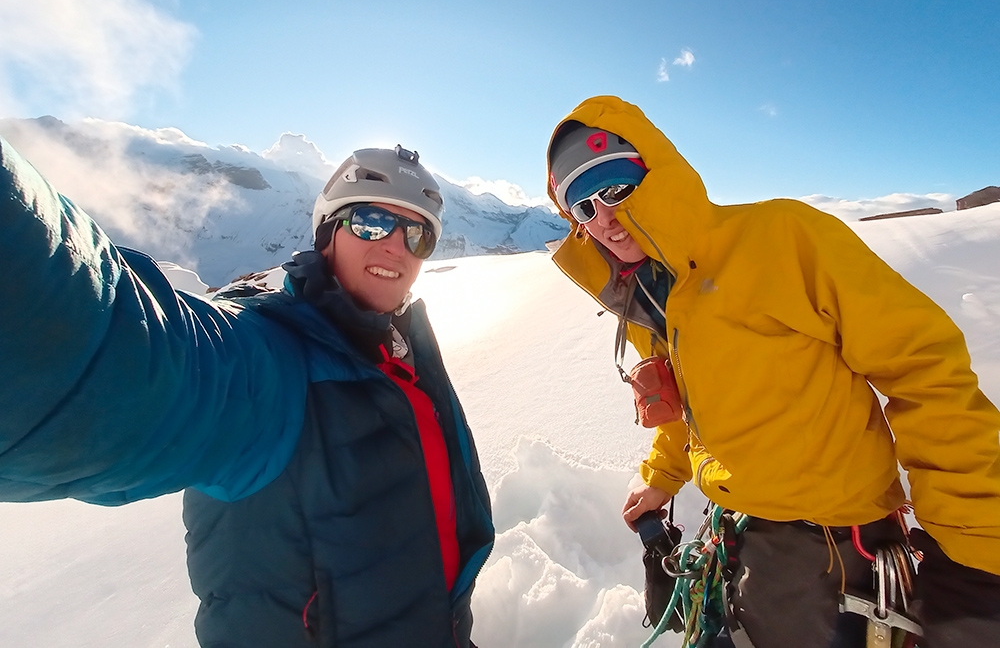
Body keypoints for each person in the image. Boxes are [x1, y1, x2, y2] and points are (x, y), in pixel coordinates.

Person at [544, 95, 1000, 647]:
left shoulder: (783, 239)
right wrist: (665, 475)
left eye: (616, 188)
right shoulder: (645, 294)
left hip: (832, 546)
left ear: (657, 172)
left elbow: (925, 369)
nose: (605, 220)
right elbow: (683, 404)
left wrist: (978, 546)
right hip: (739, 533)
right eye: (583, 207)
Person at [0, 138, 494, 648]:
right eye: (372, 222)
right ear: (328, 232)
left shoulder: (401, 354)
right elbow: (122, 360)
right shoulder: (271, 362)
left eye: (418, 234)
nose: (396, 245)